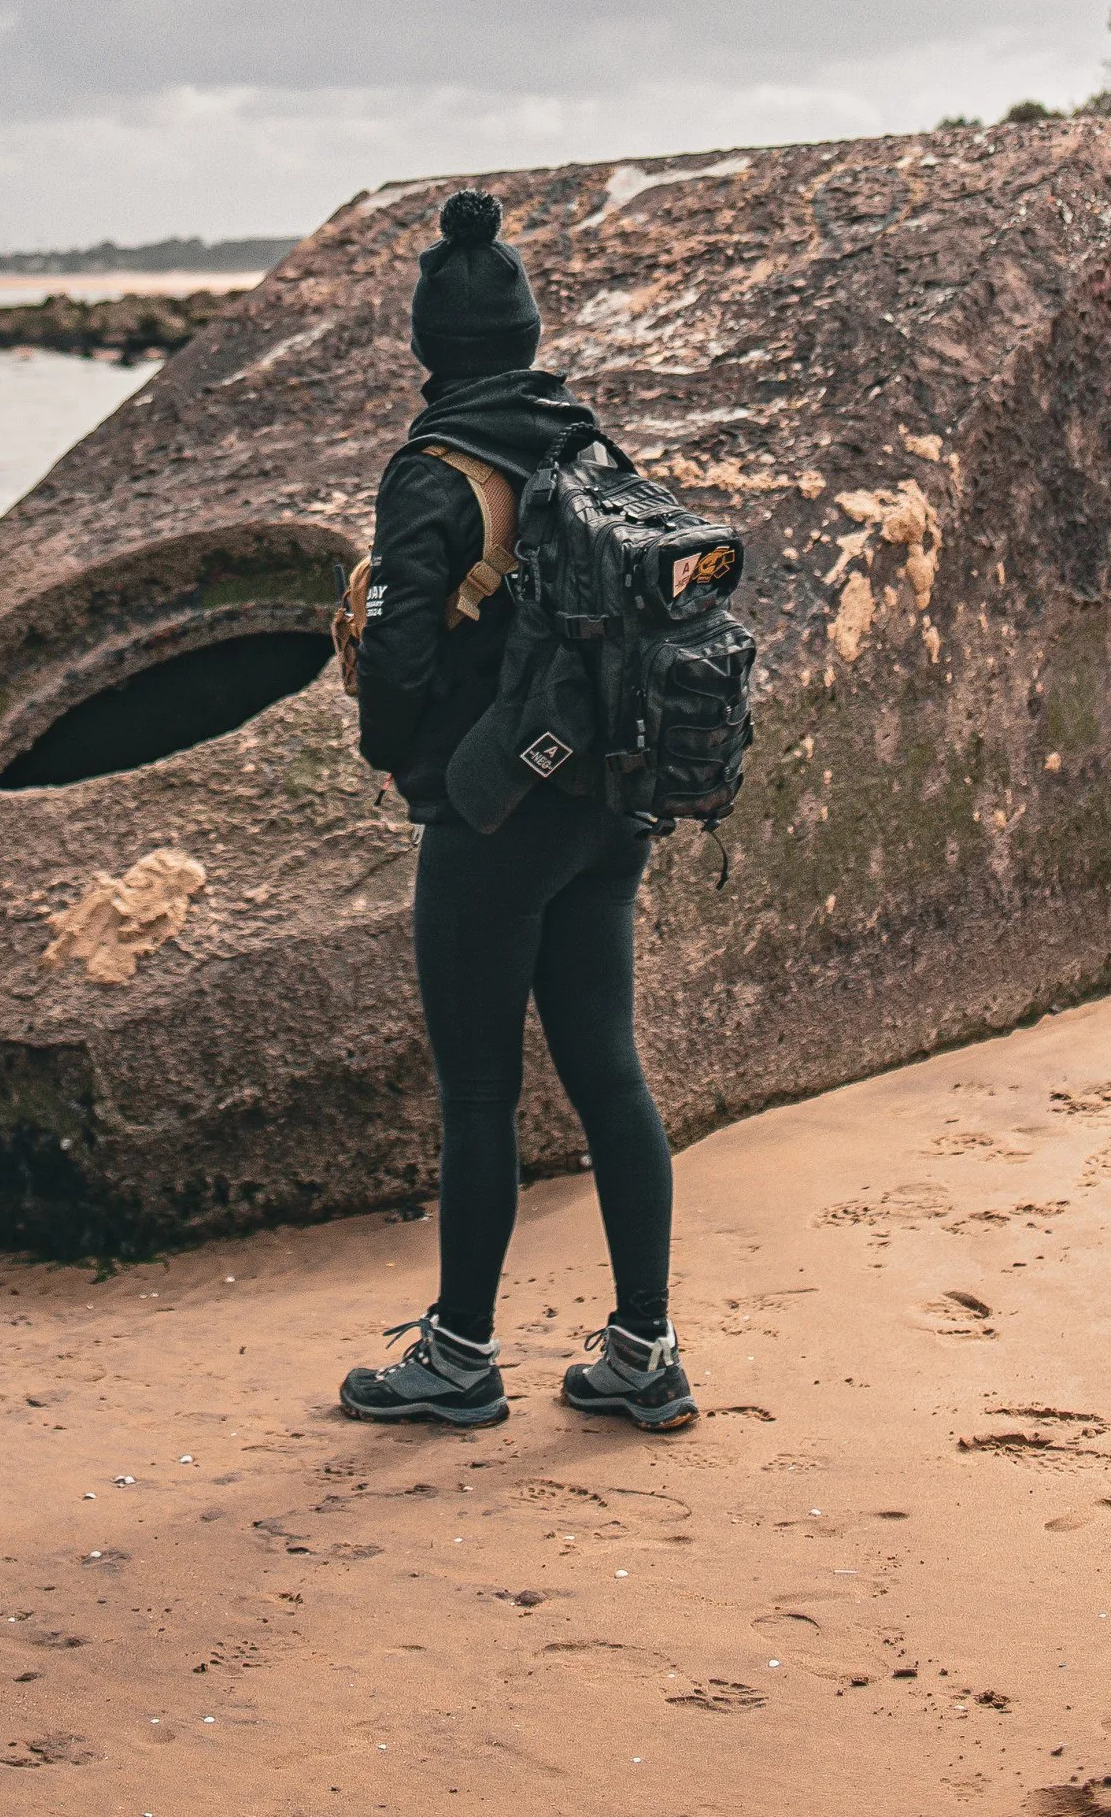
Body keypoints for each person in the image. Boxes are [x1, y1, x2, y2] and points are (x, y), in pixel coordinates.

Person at [336, 190, 694, 1434]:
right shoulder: (590, 449)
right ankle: (643, 1351)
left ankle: (458, 1356)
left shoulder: (433, 472)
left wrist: (400, 760)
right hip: (609, 802)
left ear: (428, 349)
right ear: (528, 336)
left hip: (493, 816)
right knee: (609, 1072)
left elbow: (396, 657)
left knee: (480, 1094)